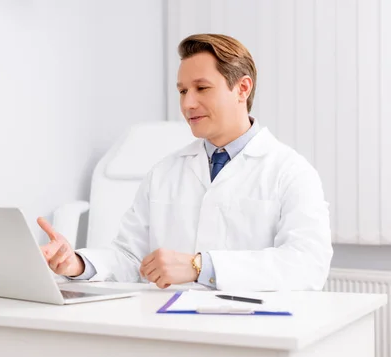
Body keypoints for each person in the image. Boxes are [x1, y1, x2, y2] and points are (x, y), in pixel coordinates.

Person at [36, 33, 333, 291]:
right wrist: (77, 263)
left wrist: (200, 266)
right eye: (182, 91)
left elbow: (307, 265)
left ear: (242, 89)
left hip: (252, 334)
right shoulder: (164, 172)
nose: (188, 103)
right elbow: (130, 258)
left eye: (201, 88)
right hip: (170, 330)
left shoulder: (291, 172)